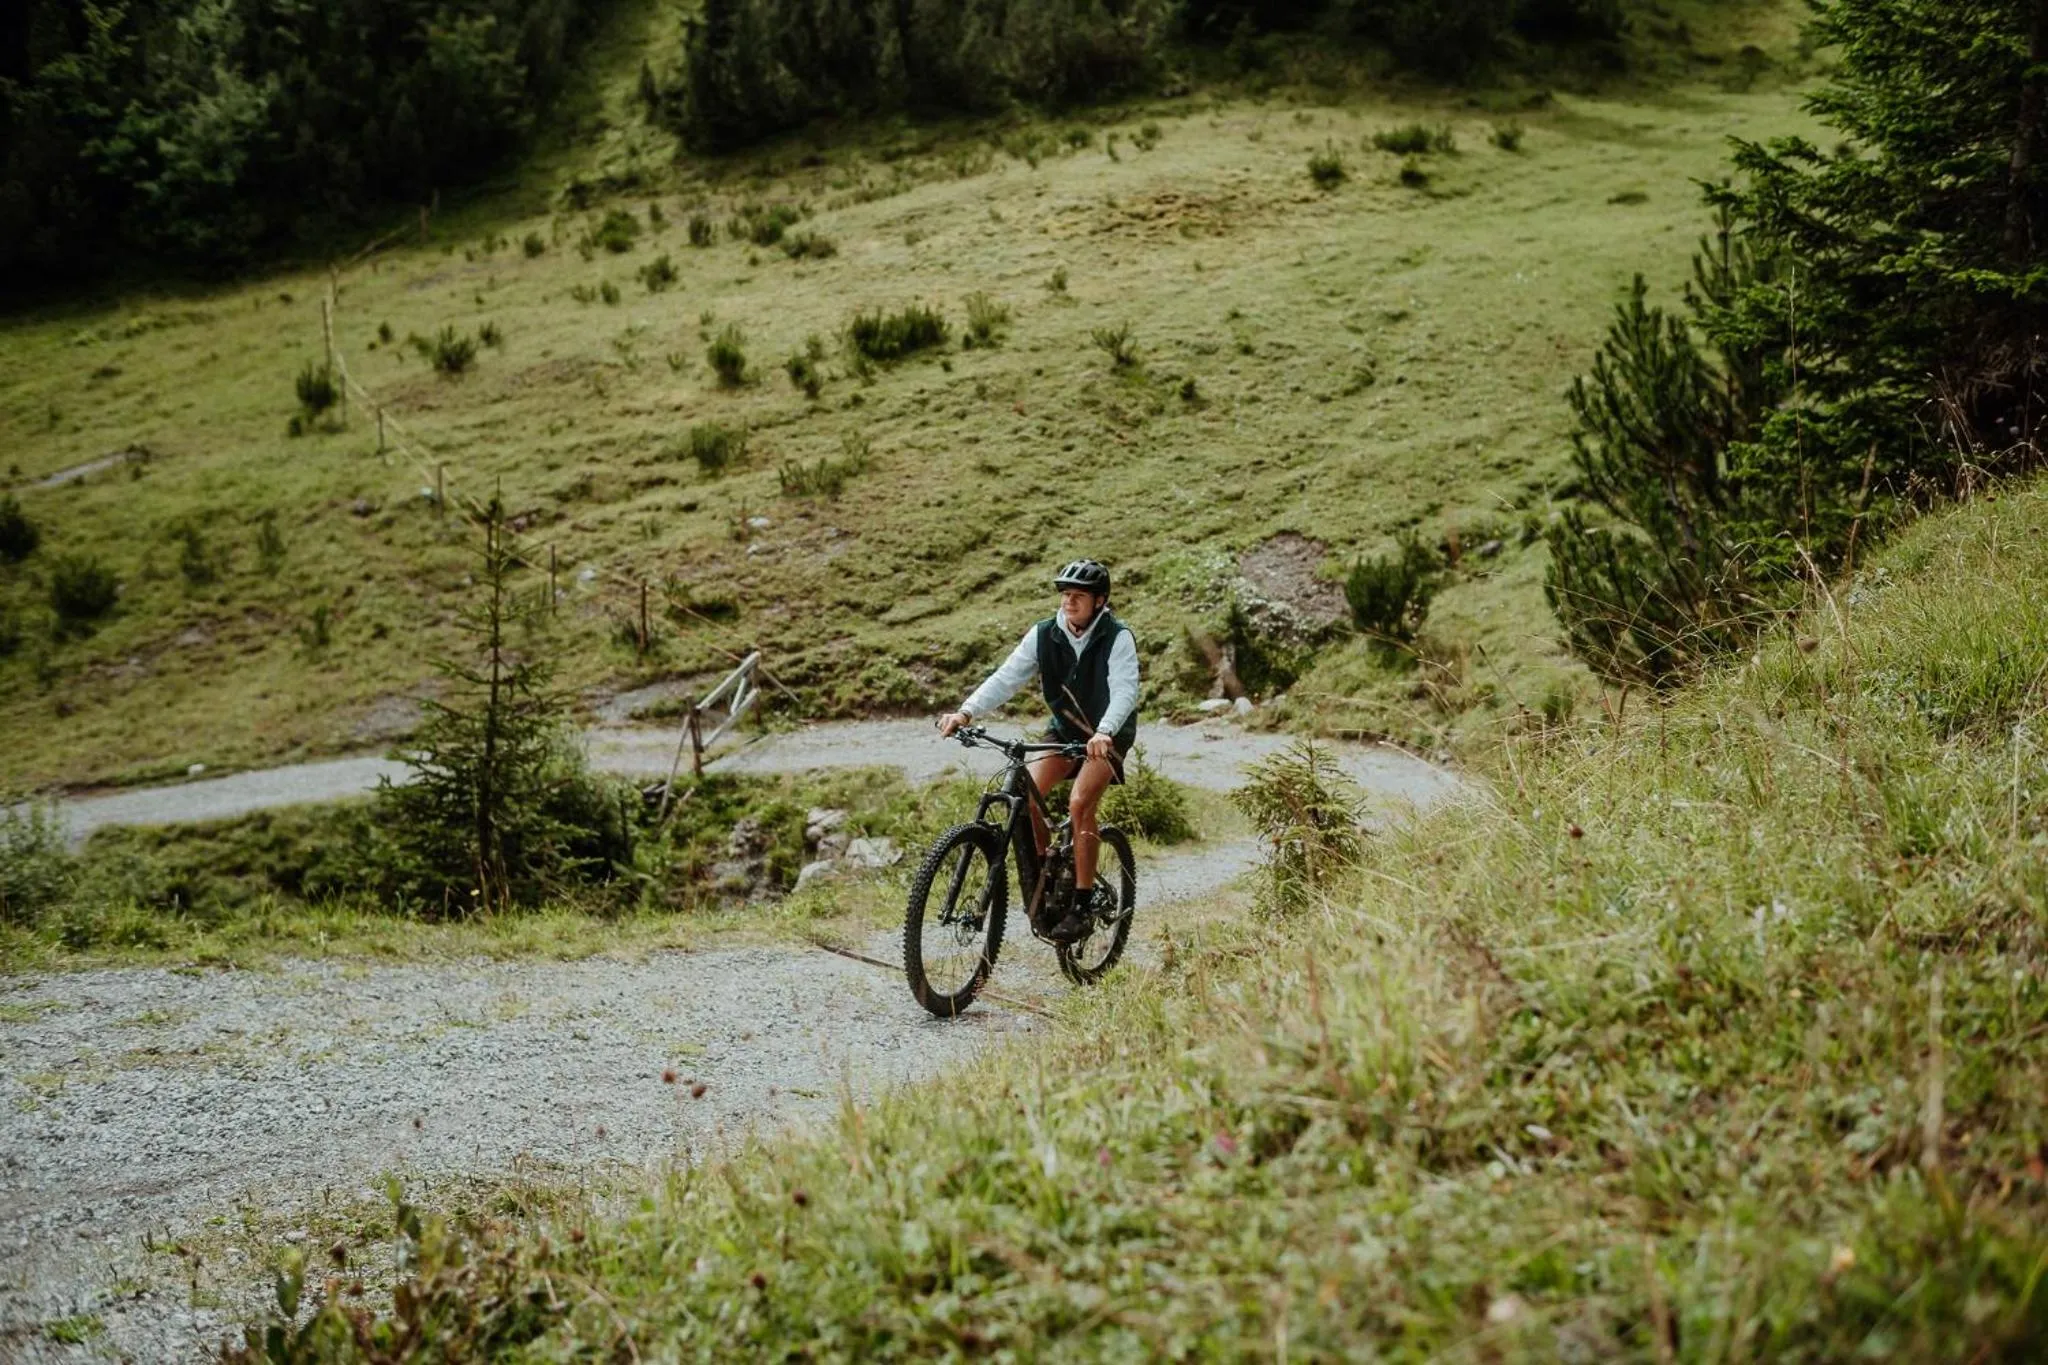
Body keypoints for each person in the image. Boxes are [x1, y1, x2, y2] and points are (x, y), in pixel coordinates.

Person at [938, 559, 1140, 942]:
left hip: (1106, 736)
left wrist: (1105, 731)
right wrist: (966, 711)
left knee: (1081, 804)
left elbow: (1125, 690)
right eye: (1065, 595)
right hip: (1064, 731)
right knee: (1026, 792)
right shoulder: (1045, 633)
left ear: (1100, 601)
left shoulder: (1118, 637)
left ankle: (1081, 903)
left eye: (1078, 596)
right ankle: (1047, 873)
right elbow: (1007, 676)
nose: (1069, 602)